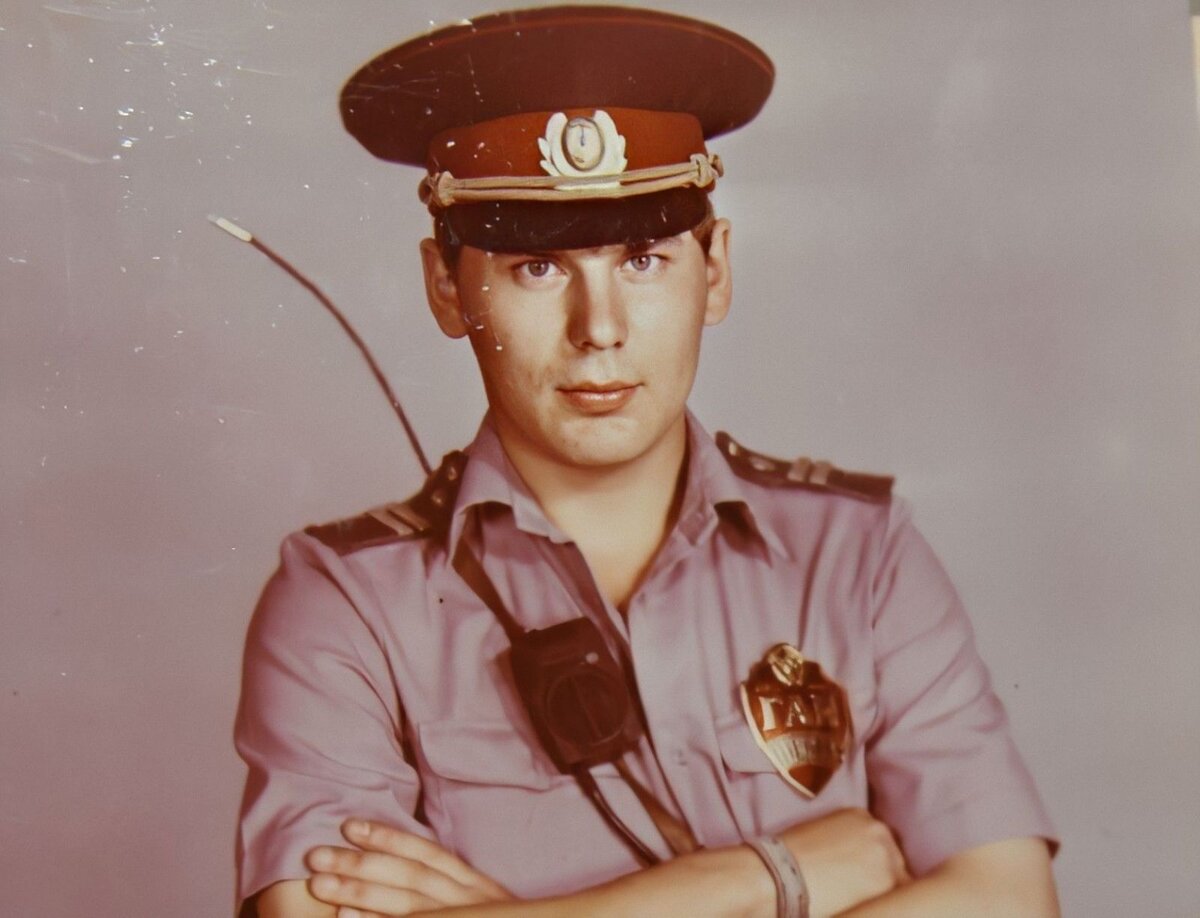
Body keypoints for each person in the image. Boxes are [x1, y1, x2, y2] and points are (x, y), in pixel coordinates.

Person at [234, 6, 1059, 917]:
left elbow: (1012, 899)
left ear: (716, 271)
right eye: (537, 269)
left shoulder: (859, 556)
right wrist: (771, 877)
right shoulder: (345, 604)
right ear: (446, 287)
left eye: (642, 259)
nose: (600, 329)